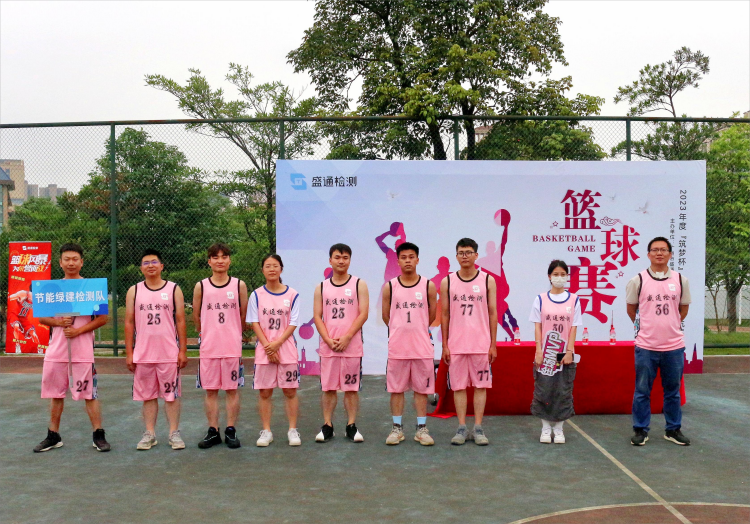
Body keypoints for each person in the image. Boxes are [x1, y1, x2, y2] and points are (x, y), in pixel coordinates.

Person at [34, 243, 110, 453]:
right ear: (60, 262)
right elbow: (42, 318)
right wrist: (59, 322)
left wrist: (79, 331)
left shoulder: (91, 288)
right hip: (57, 350)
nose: (71, 263)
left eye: (75, 259)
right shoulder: (51, 288)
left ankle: (98, 435)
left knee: (90, 394)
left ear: (81, 262)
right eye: (66, 259)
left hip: (83, 351)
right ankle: (53, 435)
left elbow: (102, 318)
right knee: (56, 394)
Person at [626, 237, 692, 446]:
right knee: (642, 391)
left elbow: (683, 309)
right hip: (646, 346)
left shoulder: (680, 280)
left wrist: (670, 324)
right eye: (655, 250)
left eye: (663, 250)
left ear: (670, 254)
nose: (659, 253)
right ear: (648, 254)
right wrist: (647, 327)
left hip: (674, 347)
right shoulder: (638, 280)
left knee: (673, 392)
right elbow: (631, 309)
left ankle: (673, 429)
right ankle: (640, 430)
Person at [125, 249, 188, 450]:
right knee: (148, 396)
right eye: (146, 263)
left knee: (171, 395)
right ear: (141, 268)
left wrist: (183, 350)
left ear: (161, 266)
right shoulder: (134, 291)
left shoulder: (173, 289)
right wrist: (129, 353)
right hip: (143, 353)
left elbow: (181, 320)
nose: (150, 265)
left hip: (168, 353)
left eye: (154, 262)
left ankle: (174, 433)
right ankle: (149, 433)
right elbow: (129, 322)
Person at [441, 238, 498, 446]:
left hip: (480, 344)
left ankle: (479, 428)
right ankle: (462, 427)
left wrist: (493, 344)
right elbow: (444, 314)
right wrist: (445, 345)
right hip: (456, 345)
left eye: (468, 252)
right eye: (461, 253)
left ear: (476, 255)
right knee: (458, 387)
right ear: (456, 256)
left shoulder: (487, 280)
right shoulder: (447, 281)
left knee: (480, 386)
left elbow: (493, 313)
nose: (465, 256)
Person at [193, 243, 249, 449]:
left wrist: (235, 334)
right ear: (209, 261)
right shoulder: (201, 286)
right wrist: (206, 334)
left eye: (224, 256)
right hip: (209, 347)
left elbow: (243, 315)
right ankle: (213, 430)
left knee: (232, 389)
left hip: (231, 347)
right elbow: (196, 316)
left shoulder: (239, 285)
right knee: (211, 391)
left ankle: (231, 429)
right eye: (215, 257)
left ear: (229, 260)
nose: (220, 260)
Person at [382, 242, 437, 446]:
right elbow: (386, 316)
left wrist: (417, 329)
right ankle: (397, 428)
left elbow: (432, 315)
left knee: (422, 389)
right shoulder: (390, 286)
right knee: (396, 389)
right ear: (398, 261)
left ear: (417, 260)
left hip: (421, 347)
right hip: (398, 348)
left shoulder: (428, 285)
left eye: (411, 257)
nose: (407, 261)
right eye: (403, 257)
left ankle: (421, 429)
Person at [313, 243, 370, 443]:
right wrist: (328, 339)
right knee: (328, 388)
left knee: (351, 388)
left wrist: (347, 337)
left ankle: (351, 426)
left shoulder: (359, 284)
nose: (341, 261)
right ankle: (327, 425)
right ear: (330, 260)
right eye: (337, 257)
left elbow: (363, 314)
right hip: (328, 346)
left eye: (345, 257)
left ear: (350, 260)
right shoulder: (321, 287)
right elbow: (317, 316)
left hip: (351, 345)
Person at [247, 254, 302, 447]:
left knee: (290, 390)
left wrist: (277, 344)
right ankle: (266, 431)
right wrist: (269, 348)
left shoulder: (292, 294)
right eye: (268, 266)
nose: (272, 269)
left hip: (286, 349)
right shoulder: (256, 295)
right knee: (264, 392)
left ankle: (292, 430)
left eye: (275, 266)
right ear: (262, 270)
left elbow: (293, 322)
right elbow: (255, 322)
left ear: (281, 269)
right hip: (265, 349)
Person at [529, 260, 581, 444]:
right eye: (556, 274)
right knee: (544, 389)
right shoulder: (540, 299)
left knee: (562, 390)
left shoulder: (574, 299)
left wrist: (569, 351)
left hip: (564, 352)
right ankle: (545, 428)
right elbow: (538, 326)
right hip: (546, 352)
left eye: (563, 274)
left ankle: (559, 429)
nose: (559, 278)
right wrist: (538, 350)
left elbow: (574, 327)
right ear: (549, 277)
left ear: (567, 276)